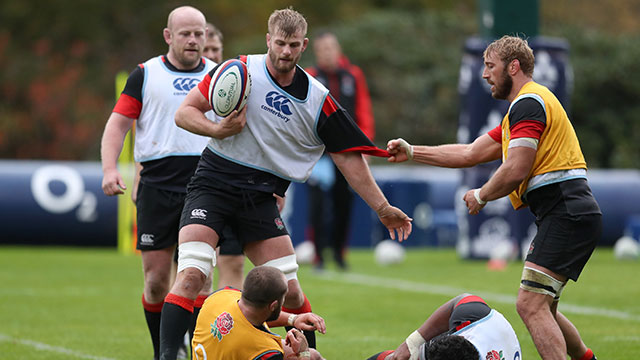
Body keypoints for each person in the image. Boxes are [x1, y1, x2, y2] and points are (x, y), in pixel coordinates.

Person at [158, 8, 413, 360]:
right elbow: (185, 112)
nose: (285, 52)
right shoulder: (240, 69)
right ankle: (167, 355)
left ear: (303, 45)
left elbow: (348, 156)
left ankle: (309, 357)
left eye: (293, 45)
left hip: (260, 197)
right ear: (268, 40)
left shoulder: (316, 99)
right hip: (213, 184)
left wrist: (383, 208)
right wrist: (218, 129)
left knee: (291, 293)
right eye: (279, 43)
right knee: (191, 274)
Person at [387, 35, 600, 360]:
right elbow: (470, 152)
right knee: (545, 308)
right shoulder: (520, 110)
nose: (485, 75)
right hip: (567, 210)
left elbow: (516, 168)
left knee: (529, 305)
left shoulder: (528, 103)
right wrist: (414, 151)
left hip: (565, 209)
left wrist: (482, 195)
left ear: (513, 67)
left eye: (490, 66)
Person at [100, 6, 216, 360]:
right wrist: (109, 169)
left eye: (199, 33)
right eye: (185, 34)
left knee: (201, 279)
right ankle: (164, 351)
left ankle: (198, 352)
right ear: (169, 36)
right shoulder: (146, 74)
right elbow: (117, 125)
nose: (194, 40)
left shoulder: (220, 75)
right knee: (155, 282)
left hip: (207, 185)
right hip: (156, 186)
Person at [305, 31, 375, 270]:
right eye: (323, 49)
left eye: (331, 48)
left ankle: (339, 253)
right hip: (320, 155)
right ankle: (318, 256)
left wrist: (366, 146)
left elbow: (363, 110)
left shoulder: (353, 75)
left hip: (348, 152)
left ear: (338, 49)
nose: (328, 53)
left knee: (343, 204)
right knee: (318, 206)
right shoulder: (310, 76)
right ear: (316, 52)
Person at [192, 266, 326, 360]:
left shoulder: (220, 296)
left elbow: (249, 320)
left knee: (314, 355)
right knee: (311, 356)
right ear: (273, 305)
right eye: (283, 298)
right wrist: (303, 354)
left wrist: (294, 319)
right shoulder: (265, 351)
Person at [202, 21, 247, 291]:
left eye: (215, 49)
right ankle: (189, 332)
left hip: (231, 182)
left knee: (233, 262)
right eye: (205, 49)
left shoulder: (238, 86)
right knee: (195, 269)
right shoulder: (187, 89)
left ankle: (227, 328)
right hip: (194, 184)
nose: (211, 54)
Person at [367, 294, 521, 360]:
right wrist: (413, 342)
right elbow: (461, 299)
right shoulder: (471, 315)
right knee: (407, 356)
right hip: (485, 325)